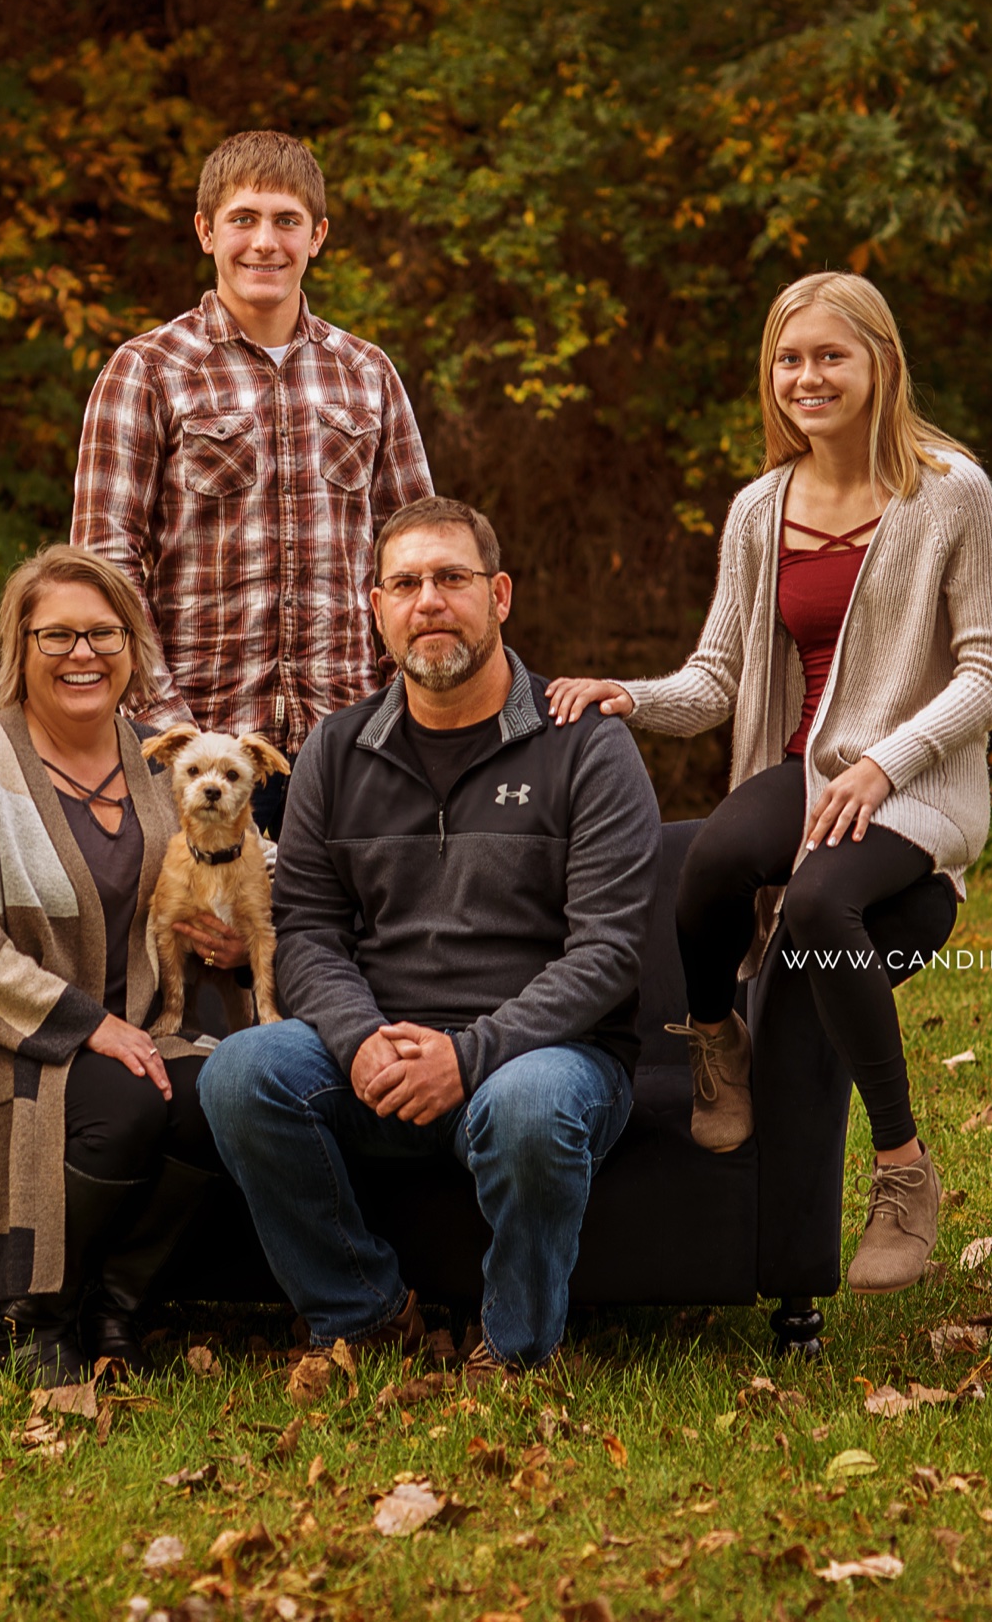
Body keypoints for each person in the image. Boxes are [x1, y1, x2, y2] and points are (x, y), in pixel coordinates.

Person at [547, 272, 992, 1296]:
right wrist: (624, 694)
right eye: (789, 359)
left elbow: (991, 675)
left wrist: (886, 762)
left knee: (813, 901)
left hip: (915, 781)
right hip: (800, 766)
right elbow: (717, 680)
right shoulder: (763, 507)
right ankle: (718, 1035)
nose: (807, 376)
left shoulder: (951, 492)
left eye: (830, 356)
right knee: (714, 859)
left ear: (879, 364)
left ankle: (902, 1169)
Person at [202, 496, 660, 1373]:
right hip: (375, 1050)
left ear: (500, 595)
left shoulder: (585, 747)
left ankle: (518, 1349)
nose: (429, 601)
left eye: (451, 579)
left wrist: (471, 1053)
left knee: (529, 1104)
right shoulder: (336, 749)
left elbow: (609, 951)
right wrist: (359, 1037)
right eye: (405, 583)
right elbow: (306, 931)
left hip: (548, 1057)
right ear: (375, 608)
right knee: (242, 1072)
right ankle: (363, 1319)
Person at [0, 546, 244, 1382]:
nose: (83, 655)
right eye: (58, 636)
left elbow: (233, 863)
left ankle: (116, 1310)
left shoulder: (157, 762)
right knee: (130, 1107)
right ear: (20, 648)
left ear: (133, 649)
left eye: (104, 634)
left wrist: (238, 937)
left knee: (223, 1098)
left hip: (134, 1025)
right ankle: (34, 1317)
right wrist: (85, 1024)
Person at [70, 130, 433, 833]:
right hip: (203, 754)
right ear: (206, 231)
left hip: (352, 749)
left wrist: (399, 713)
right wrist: (170, 733)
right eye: (243, 219)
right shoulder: (147, 369)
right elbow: (102, 572)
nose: (264, 242)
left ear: (317, 236)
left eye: (286, 221)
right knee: (212, 943)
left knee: (349, 943)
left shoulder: (366, 372)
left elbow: (416, 556)